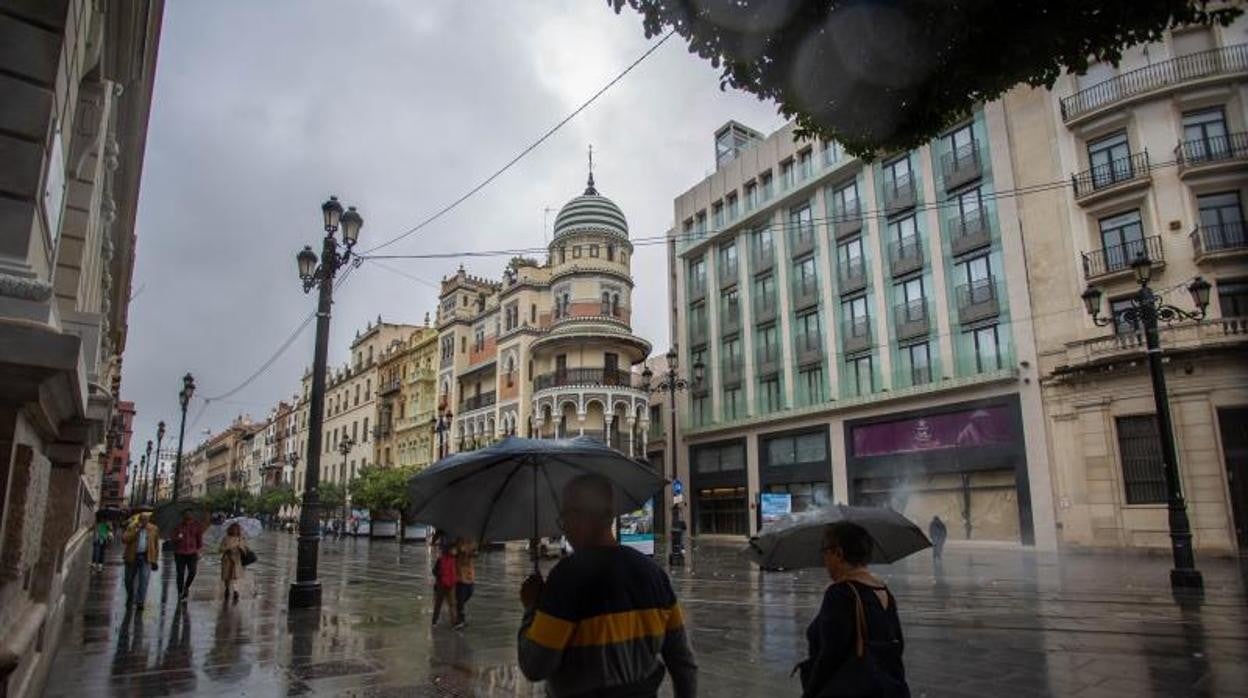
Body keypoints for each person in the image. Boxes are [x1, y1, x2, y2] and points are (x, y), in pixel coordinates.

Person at [517, 473, 697, 697]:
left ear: (583, 517)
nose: (562, 526)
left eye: (564, 516)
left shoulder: (567, 579)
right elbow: (683, 664)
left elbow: (536, 665)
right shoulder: (654, 575)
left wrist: (531, 607)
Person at [796, 522, 909, 698]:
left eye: (825, 552)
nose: (824, 560)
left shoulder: (840, 594)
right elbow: (897, 646)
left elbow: (829, 657)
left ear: (838, 553)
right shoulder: (883, 591)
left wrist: (809, 693)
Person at [122, 513, 160, 608]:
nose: (144, 522)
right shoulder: (132, 527)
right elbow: (124, 539)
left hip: (146, 558)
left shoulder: (153, 529)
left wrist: (155, 560)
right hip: (132, 557)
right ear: (139, 520)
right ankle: (131, 596)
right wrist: (136, 531)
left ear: (148, 520)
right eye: (142, 520)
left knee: (144, 580)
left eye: (146, 520)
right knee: (128, 580)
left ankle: (140, 601)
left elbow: (156, 545)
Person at [173, 509, 205, 602]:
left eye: (190, 514)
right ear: (183, 516)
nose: (188, 515)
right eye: (186, 514)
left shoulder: (196, 526)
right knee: (180, 573)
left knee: (193, 571)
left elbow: (199, 540)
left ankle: (186, 587)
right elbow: (173, 539)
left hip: (192, 553)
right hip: (180, 553)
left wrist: (199, 551)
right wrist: (178, 538)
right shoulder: (178, 526)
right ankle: (180, 592)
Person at [431, 542, 459, 628]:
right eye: (454, 549)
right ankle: (434, 621)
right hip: (441, 585)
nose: (455, 551)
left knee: (452, 604)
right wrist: (440, 576)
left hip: (451, 585)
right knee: (438, 604)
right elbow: (434, 571)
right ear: (449, 550)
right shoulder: (441, 559)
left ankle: (454, 622)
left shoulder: (454, 559)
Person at [219, 522, 248, 603]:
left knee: (235, 576)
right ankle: (227, 588)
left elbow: (245, 551)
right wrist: (227, 548)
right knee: (227, 576)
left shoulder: (241, 538)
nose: (235, 530)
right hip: (227, 560)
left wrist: (241, 548)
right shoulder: (225, 538)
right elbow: (220, 549)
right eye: (233, 528)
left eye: (237, 528)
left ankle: (236, 591)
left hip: (237, 560)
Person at [454, 539, 476, 628]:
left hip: (470, 577)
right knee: (461, 600)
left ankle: (459, 613)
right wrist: (462, 550)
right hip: (460, 578)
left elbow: (474, 553)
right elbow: (456, 551)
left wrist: (474, 552)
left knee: (469, 593)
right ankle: (461, 620)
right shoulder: (459, 540)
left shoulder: (473, 541)